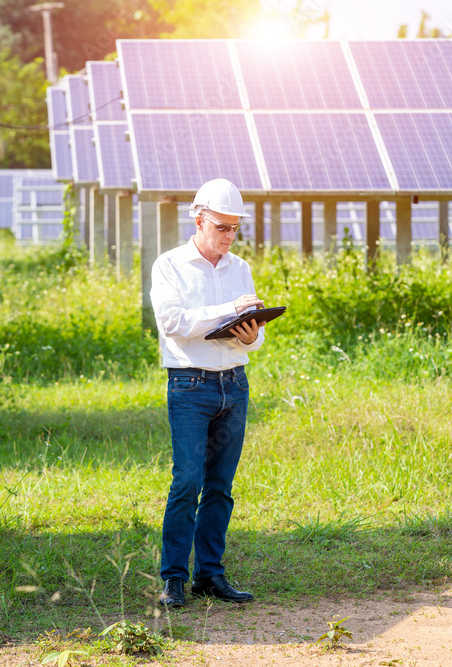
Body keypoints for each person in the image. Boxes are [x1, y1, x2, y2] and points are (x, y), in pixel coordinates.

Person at [149, 178, 266, 608]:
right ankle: (173, 578)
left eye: (235, 229)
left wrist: (252, 333)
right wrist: (228, 312)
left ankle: (210, 576)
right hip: (190, 385)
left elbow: (254, 338)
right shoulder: (170, 265)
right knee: (187, 482)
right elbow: (174, 323)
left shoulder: (240, 268)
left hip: (234, 384)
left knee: (220, 485)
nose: (230, 236)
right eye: (222, 227)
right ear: (199, 220)